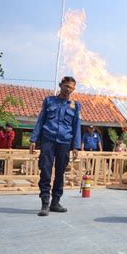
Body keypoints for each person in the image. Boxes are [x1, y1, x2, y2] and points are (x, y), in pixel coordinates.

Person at [30, 76, 81, 217]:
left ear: (73, 89)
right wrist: (33, 139)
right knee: (45, 170)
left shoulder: (75, 105)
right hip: (48, 140)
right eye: (66, 86)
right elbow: (41, 120)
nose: (68, 89)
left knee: (60, 173)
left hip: (65, 142)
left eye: (71, 87)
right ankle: (45, 203)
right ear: (60, 85)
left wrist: (76, 146)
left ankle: (55, 202)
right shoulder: (49, 101)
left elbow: (76, 126)